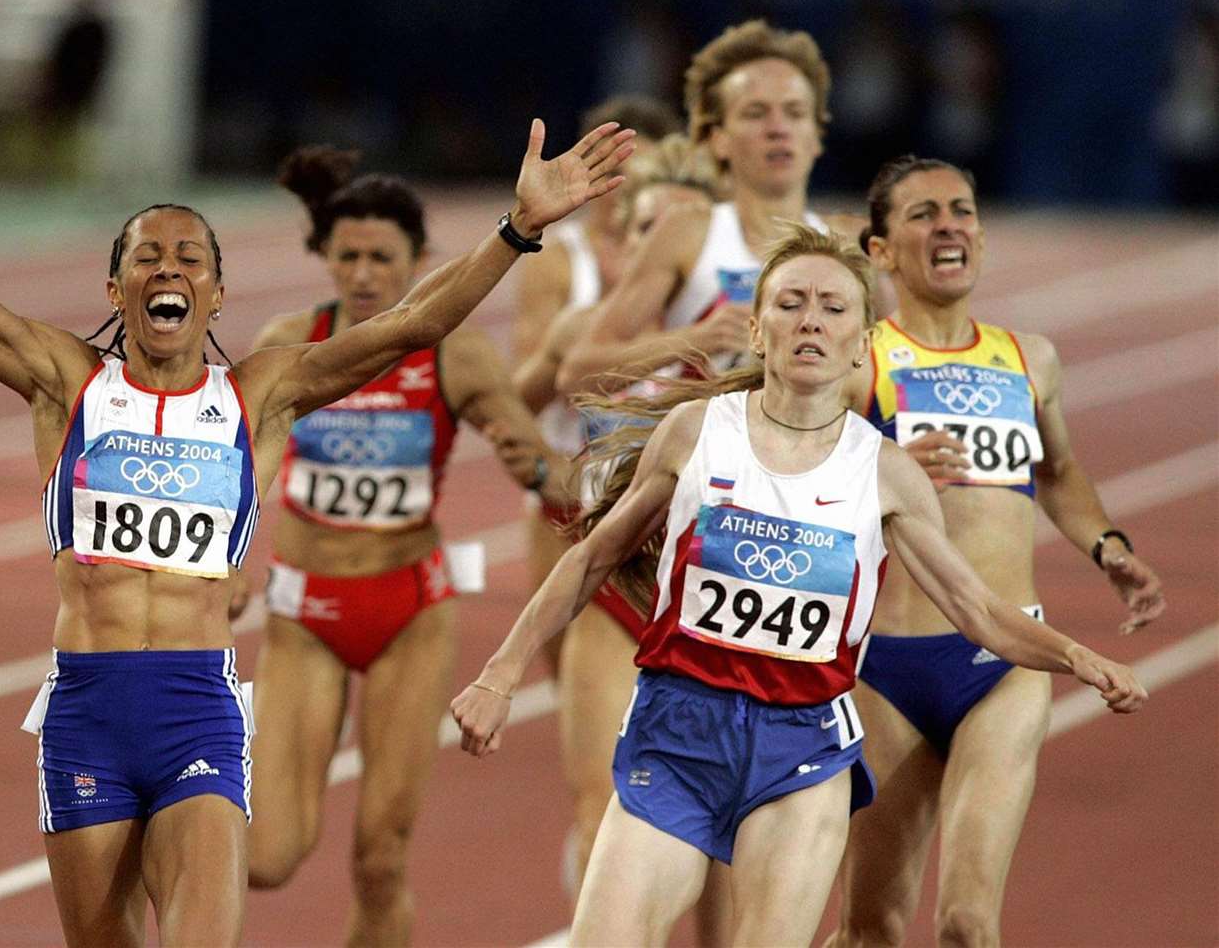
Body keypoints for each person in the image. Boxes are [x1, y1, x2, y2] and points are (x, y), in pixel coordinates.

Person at [0, 43, 635, 947]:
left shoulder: (259, 391)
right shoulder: (64, 379)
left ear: (216, 296)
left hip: (195, 706)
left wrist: (515, 232)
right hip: (86, 706)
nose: (168, 269)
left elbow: (408, 325)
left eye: (189, 260)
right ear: (116, 285)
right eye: (148, 257)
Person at [451, 224, 1146, 947]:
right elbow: (592, 558)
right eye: (789, 303)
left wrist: (1074, 656)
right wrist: (499, 675)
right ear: (756, 330)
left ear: (860, 343)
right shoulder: (696, 432)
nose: (809, 318)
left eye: (832, 306)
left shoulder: (884, 473)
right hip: (677, 735)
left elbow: (976, 611)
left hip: (800, 753)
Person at [826, 156, 1167, 947]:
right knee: (870, 926)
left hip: (1004, 661)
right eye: (922, 214)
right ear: (879, 251)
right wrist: (880, 462)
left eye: (962, 210)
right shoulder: (857, 358)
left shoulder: (1028, 358)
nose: (948, 224)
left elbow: (1058, 471)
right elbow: (795, 476)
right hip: (884, 666)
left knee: (966, 924)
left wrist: (1105, 543)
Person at [244, 147, 574, 943]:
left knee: (381, 855)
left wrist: (550, 472)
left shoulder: (452, 352)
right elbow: (254, 461)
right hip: (303, 612)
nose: (363, 275)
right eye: (348, 256)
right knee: (268, 856)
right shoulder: (289, 344)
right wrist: (224, 558)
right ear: (323, 256)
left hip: (407, 615)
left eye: (381, 258)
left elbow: (536, 464)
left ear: (418, 260)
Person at [511, 133, 729, 911]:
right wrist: (542, 468)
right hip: (606, 584)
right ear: (626, 242)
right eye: (644, 231)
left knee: (714, 835)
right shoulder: (584, 334)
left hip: (705, 601)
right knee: (599, 802)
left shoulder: (740, 349)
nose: (659, 254)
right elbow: (514, 404)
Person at [558, 19, 860, 395]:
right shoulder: (689, 232)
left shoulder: (848, 244)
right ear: (717, 139)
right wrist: (696, 337)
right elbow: (578, 371)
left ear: (817, 136)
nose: (778, 128)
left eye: (795, 113)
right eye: (755, 113)